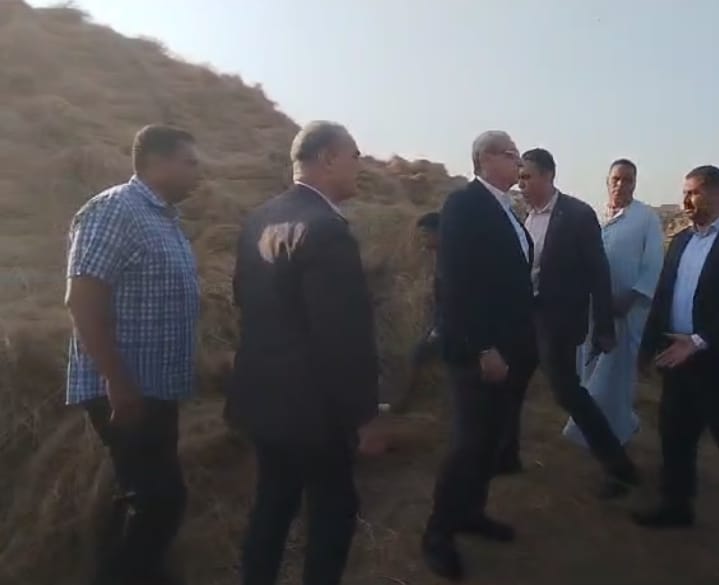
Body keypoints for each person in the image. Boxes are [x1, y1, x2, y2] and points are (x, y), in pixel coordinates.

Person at [226, 121, 380, 585]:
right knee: (334, 510)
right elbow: (342, 336)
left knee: (273, 504)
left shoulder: (259, 219)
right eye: (355, 155)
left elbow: (243, 300)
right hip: (315, 409)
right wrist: (364, 415)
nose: (360, 165)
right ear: (328, 158)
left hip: (262, 396)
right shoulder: (328, 230)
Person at [64, 124, 201, 585]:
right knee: (161, 500)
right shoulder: (115, 209)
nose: (197, 173)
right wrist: (116, 381)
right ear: (156, 162)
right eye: (189, 162)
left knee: (144, 497)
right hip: (126, 388)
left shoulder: (165, 220)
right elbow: (83, 297)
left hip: (155, 389)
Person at [422, 130, 537, 581]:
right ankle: (438, 534)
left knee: (491, 440)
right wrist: (484, 347)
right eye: (512, 155)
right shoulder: (465, 205)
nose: (519, 164)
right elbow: (457, 283)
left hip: (510, 348)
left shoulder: (506, 209)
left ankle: (471, 513)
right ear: (486, 158)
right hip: (477, 351)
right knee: (470, 444)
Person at [631, 165, 719, 529]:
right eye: (685, 193)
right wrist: (647, 347)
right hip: (677, 358)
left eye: (693, 192)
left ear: (718, 193)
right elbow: (664, 295)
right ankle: (676, 506)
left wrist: (700, 340)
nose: (686, 200)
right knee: (674, 435)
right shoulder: (681, 241)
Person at [507, 147, 640, 498]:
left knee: (567, 393)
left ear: (548, 175)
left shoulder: (577, 215)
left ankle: (619, 467)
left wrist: (604, 326)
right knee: (512, 385)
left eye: (527, 177)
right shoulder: (526, 217)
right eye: (519, 178)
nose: (521, 184)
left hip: (559, 322)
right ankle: (505, 456)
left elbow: (598, 271)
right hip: (527, 318)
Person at [562, 159, 664, 448]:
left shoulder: (645, 218)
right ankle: (590, 433)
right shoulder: (595, 217)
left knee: (615, 379)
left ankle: (617, 434)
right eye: (616, 179)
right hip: (593, 312)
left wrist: (632, 296)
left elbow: (654, 263)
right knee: (588, 371)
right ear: (607, 182)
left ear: (635, 183)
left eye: (627, 180)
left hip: (627, 313)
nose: (621, 185)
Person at [390, 211, 442, 414]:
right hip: (444, 323)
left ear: (439, 233)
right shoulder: (440, 257)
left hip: (454, 328)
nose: (423, 240)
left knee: (416, 354)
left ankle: (403, 403)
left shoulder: (450, 260)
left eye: (426, 234)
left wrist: (437, 330)